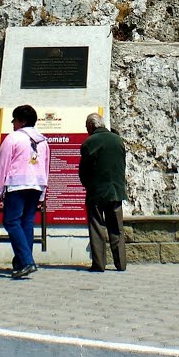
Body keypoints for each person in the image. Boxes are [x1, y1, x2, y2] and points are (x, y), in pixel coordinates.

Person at [0, 104, 49, 279]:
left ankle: (26, 260)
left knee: (11, 222)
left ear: (21, 121)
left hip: (17, 184)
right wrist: (42, 193)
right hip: (36, 184)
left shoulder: (13, 138)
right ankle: (22, 259)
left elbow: (3, 166)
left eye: (15, 119)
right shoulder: (43, 141)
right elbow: (46, 166)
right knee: (27, 222)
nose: (12, 123)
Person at [78, 112, 127, 272]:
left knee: (97, 227)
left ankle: (99, 264)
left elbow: (83, 171)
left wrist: (88, 185)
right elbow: (122, 166)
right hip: (115, 191)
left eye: (87, 127)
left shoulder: (89, 143)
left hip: (96, 192)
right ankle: (121, 263)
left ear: (91, 126)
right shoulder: (118, 140)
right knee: (116, 228)